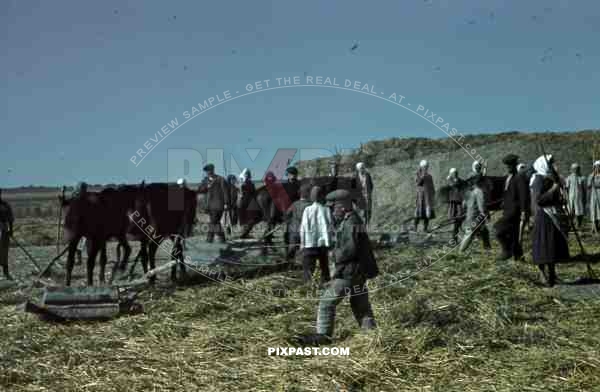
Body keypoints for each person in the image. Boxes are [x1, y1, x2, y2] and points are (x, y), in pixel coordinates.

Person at [300, 189, 378, 345]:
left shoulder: (351, 222)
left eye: (332, 207)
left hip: (348, 273)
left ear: (342, 206)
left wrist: (333, 255)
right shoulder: (353, 220)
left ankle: (323, 337)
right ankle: (373, 336)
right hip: (358, 273)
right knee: (360, 306)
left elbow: (349, 250)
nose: (331, 211)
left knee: (326, 302)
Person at [530, 155, 570, 287]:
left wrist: (560, 200)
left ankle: (552, 275)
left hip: (552, 215)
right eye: (551, 163)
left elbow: (555, 196)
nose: (553, 165)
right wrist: (554, 188)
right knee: (543, 246)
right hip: (544, 216)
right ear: (544, 165)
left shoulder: (550, 178)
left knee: (552, 246)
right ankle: (543, 275)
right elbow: (539, 200)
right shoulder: (538, 179)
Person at [495, 154, 530, 261]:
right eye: (506, 166)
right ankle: (518, 257)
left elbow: (523, 195)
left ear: (514, 165)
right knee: (514, 234)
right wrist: (503, 203)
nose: (507, 168)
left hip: (514, 211)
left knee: (498, 229)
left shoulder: (519, 177)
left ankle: (507, 250)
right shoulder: (509, 177)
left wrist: (524, 211)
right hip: (507, 209)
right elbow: (507, 193)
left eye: (510, 166)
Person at [299, 186, 333, 284]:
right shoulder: (326, 209)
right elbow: (330, 227)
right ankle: (326, 284)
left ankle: (308, 286)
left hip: (310, 244)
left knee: (308, 269)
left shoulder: (307, 210)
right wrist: (330, 242)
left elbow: (304, 227)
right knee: (324, 267)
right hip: (323, 244)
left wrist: (302, 243)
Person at [459, 173, 492, 253]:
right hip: (476, 217)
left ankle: (487, 249)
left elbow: (464, 205)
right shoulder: (478, 191)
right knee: (469, 234)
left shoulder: (468, 191)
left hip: (469, 216)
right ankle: (461, 251)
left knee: (484, 231)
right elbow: (481, 206)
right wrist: (486, 214)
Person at [199, 164, 230, 243]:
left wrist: (226, 203)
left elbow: (225, 192)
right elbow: (201, 190)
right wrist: (206, 186)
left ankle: (209, 240)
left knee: (213, 222)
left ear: (213, 170)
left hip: (218, 205)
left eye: (209, 170)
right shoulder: (205, 180)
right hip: (209, 206)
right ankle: (222, 239)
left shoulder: (221, 179)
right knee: (216, 222)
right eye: (207, 171)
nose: (208, 172)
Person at [285, 183, 313, 260]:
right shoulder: (311, 205)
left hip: (293, 229)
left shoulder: (294, 204)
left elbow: (287, 214)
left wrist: (290, 222)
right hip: (306, 231)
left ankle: (288, 261)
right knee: (306, 248)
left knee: (292, 247)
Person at [414, 160, 435, 232]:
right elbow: (418, 183)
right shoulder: (418, 174)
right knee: (418, 213)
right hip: (421, 197)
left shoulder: (429, 176)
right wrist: (422, 176)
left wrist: (433, 194)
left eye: (426, 167)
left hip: (428, 198)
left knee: (427, 214)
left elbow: (432, 187)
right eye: (424, 167)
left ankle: (425, 229)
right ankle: (415, 227)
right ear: (421, 167)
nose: (426, 168)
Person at [446, 168, 465, 244]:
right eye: (453, 173)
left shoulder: (460, 181)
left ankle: (455, 238)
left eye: (455, 173)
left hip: (459, 203)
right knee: (454, 221)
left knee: (459, 219)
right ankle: (454, 239)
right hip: (453, 203)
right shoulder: (451, 181)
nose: (455, 174)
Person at [237, 168, 256, 238]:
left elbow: (254, 192)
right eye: (245, 174)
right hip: (242, 202)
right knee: (242, 217)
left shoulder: (251, 183)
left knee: (249, 218)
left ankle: (246, 233)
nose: (246, 175)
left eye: (247, 174)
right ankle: (243, 232)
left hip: (250, 202)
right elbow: (239, 191)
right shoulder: (241, 182)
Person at [565, 163, 586, 228]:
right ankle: (570, 225)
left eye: (576, 169)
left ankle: (578, 225)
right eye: (574, 169)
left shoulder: (582, 178)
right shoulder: (568, 178)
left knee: (579, 211)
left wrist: (584, 198)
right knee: (570, 211)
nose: (575, 170)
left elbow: (583, 189)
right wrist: (566, 197)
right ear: (572, 169)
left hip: (579, 197)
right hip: (571, 197)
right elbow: (567, 189)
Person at [0, 189, 14, 280]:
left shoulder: (5, 205)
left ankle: (6, 272)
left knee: (4, 251)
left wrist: (11, 230)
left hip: (4, 229)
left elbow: (10, 218)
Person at [588, 161, 600, 233]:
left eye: (599, 167)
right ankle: (594, 227)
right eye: (596, 167)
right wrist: (592, 176)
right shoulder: (591, 176)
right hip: (594, 195)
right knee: (594, 209)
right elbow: (588, 185)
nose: (597, 168)